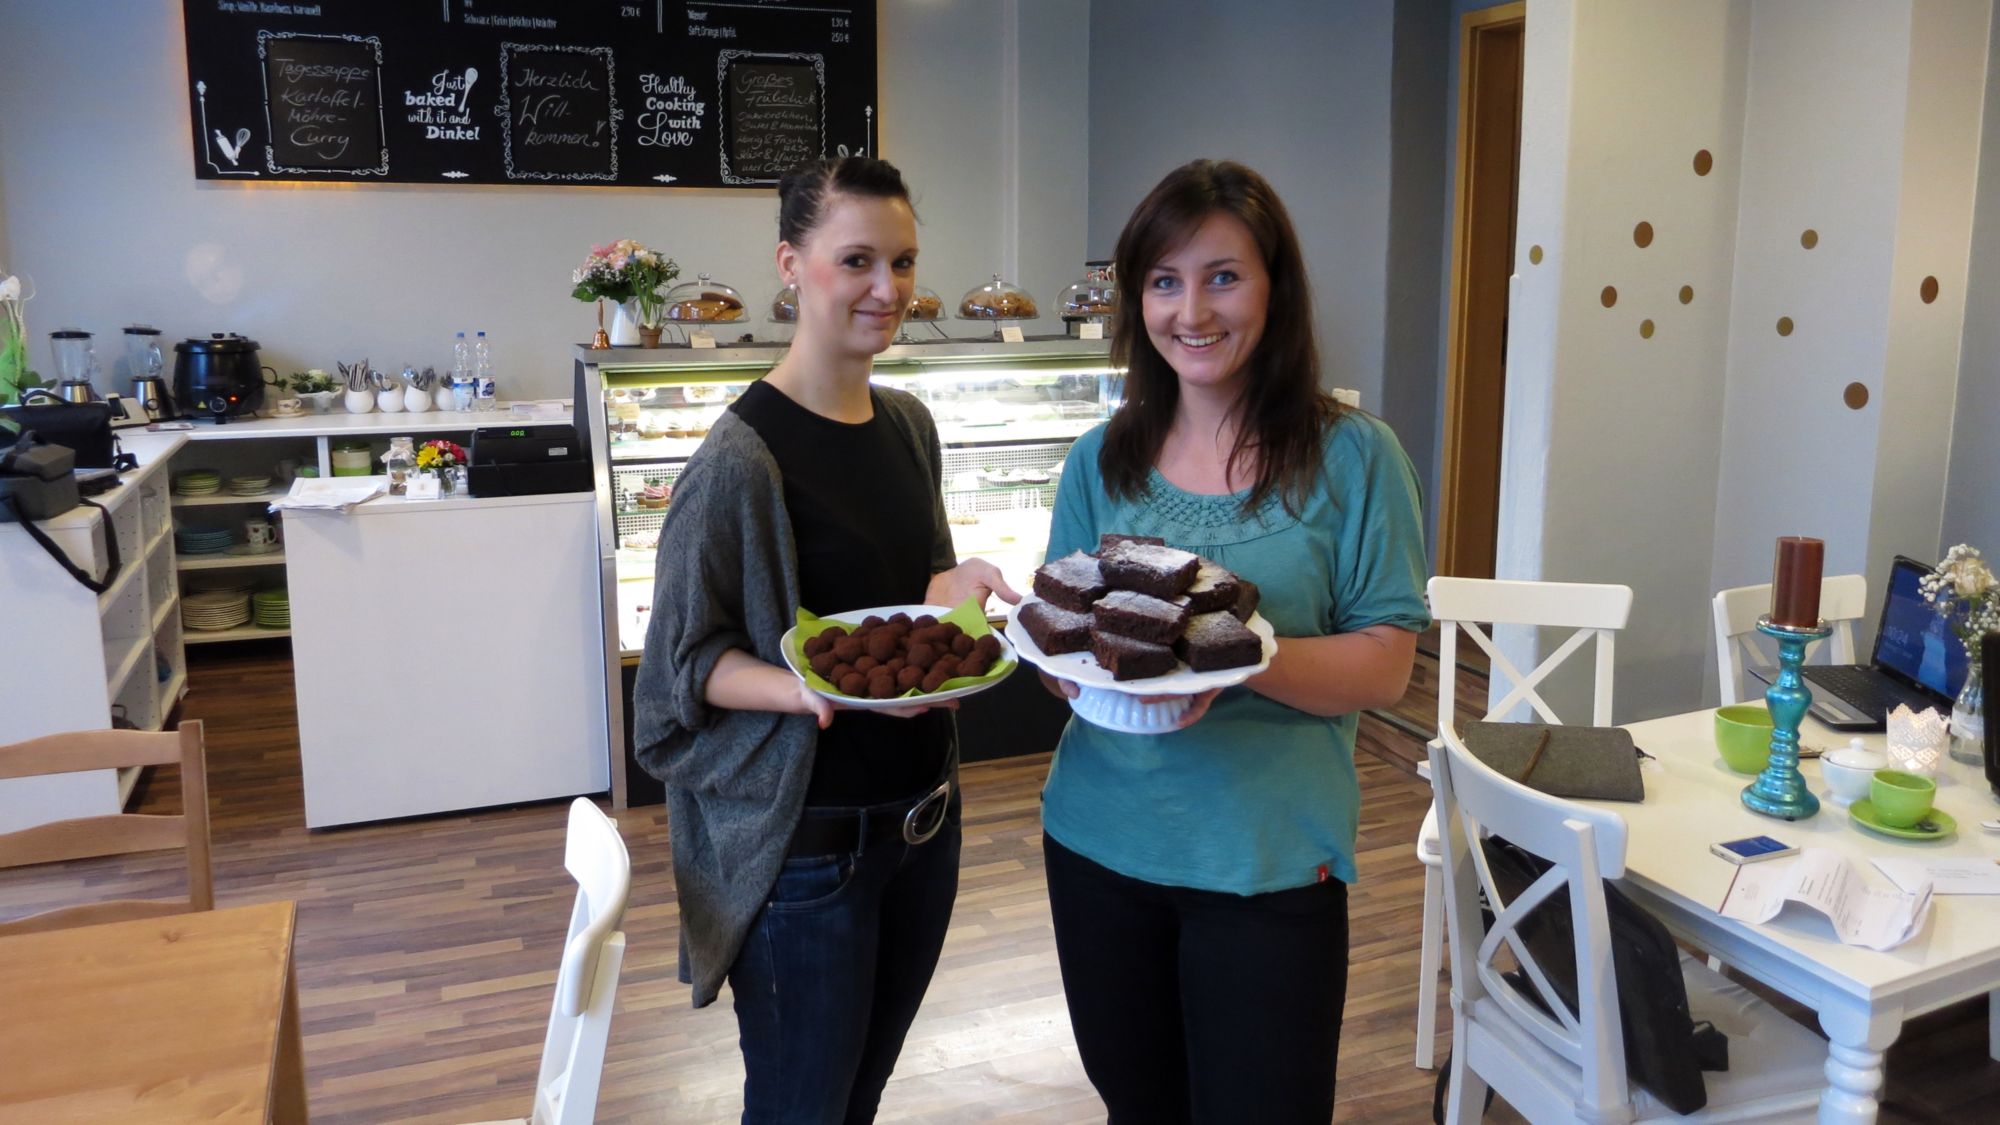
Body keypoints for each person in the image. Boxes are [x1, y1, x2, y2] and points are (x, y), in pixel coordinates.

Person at [1036, 159, 1430, 1122]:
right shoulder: (1102, 456)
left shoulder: (1355, 455)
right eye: (1165, 281)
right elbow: (1068, 657)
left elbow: (1386, 661)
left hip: (1269, 859)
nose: (1192, 310)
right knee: (1138, 1100)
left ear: (1275, 286)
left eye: (1223, 275)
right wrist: (1081, 668)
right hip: (1098, 843)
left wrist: (1242, 657)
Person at [632, 155, 1018, 1123]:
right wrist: (811, 693)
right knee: (803, 1106)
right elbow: (679, 674)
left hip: (925, 823)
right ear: (790, 265)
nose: (887, 290)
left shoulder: (908, 424)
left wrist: (959, 594)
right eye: (856, 261)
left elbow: (914, 594)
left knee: (859, 1097)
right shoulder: (737, 461)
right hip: (809, 850)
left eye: (902, 262)